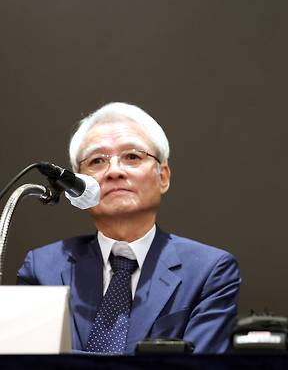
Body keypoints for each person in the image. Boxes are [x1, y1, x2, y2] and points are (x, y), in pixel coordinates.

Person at [17, 102, 240, 354]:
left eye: (132, 156)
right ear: (75, 187)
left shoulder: (209, 270)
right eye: (97, 160)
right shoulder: (42, 269)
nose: (114, 171)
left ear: (163, 176)